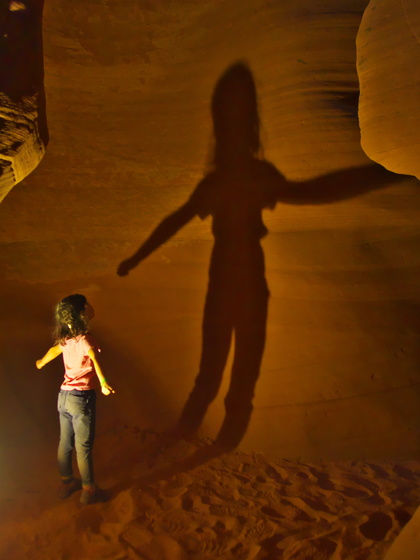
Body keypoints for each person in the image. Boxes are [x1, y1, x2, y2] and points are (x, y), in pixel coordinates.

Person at [36, 294, 115, 505]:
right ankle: (89, 490)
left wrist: (41, 362)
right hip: (81, 398)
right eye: (86, 305)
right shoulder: (85, 339)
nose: (90, 308)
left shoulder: (67, 340)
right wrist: (103, 382)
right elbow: (94, 358)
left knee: (65, 442)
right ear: (81, 313)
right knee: (83, 446)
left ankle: (66, 483)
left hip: (64, 397)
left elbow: (54, 350)